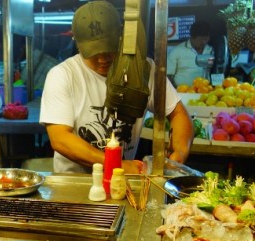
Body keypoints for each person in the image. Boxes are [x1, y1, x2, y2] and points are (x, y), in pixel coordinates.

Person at [39, 0, 194, 174]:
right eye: (94, 53)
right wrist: (116, 164)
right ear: (77, 43)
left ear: (121, 37)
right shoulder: (62, 75)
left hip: (122, 183)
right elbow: (60, 138)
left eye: (108, 50)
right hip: (75, 184)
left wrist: (179, 154)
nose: (102, 59)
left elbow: (179, 113)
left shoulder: (143, 70)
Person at [167, 20, 213, 87]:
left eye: (206, 39)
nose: (204, 43)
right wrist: (174, 91)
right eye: (200, 40)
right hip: (182, 93)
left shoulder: (211, 50)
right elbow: (168, 75)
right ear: (192, 37)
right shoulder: (177, 51)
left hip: (205, 92)